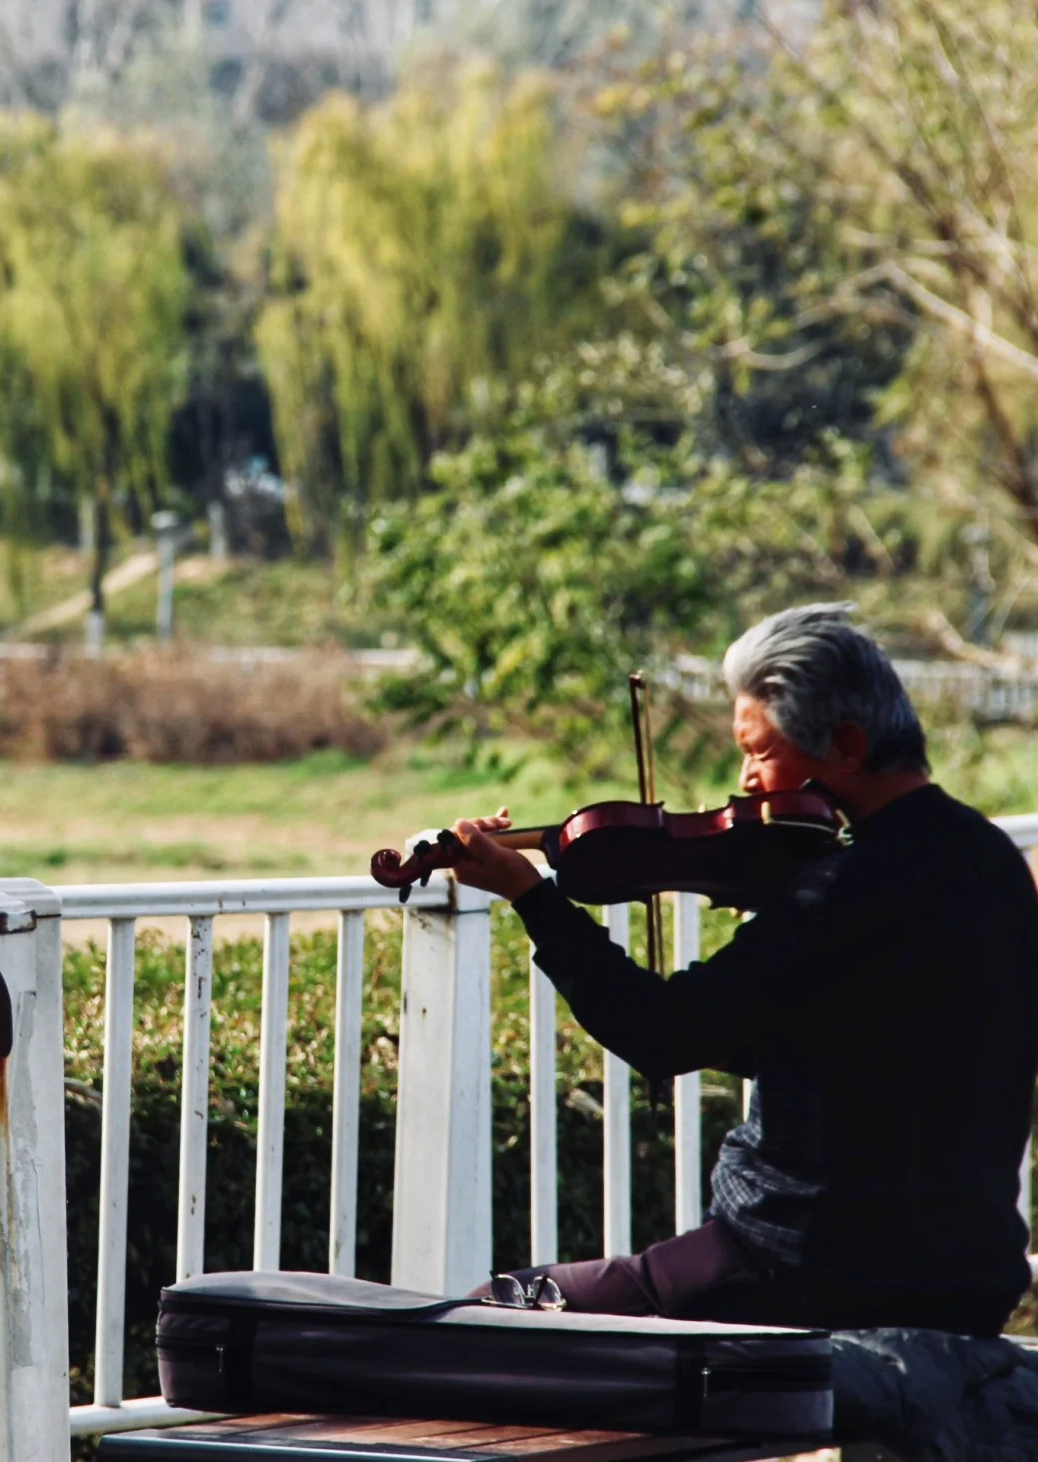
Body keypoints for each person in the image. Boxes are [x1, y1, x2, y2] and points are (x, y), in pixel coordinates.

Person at [448, 604, 1038, 1338]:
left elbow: (660, 1034)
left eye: (758, 752)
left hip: (798, 1269)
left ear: (846, 745)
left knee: (496, 1310)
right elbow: (882, 1050)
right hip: (969, 1277)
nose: (747, 781)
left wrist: (529, 894)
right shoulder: (993, 863)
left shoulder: (835, 892)